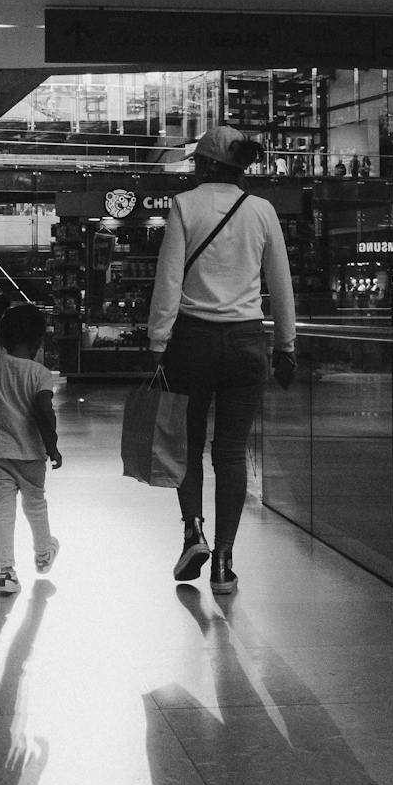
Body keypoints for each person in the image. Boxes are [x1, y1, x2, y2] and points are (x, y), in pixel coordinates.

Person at [147, 124, 297, 595]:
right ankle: (225, 562)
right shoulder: (262, 210)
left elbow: (169, 281)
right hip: (246, 342)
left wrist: (156, 343)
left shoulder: (184, 205)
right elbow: (281, 283)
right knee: (230, 452)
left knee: (186, 447)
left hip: (191, 341)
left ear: (207, 163)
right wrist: (286, 346)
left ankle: (194, 532)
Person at [0, 302, 61, 595]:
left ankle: (6, 571)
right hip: (31, 454)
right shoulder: (39, 373)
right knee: (35, 505)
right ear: (37, 341)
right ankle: (44, 552)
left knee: (2, 509)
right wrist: (52, 446)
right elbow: (45, 412)